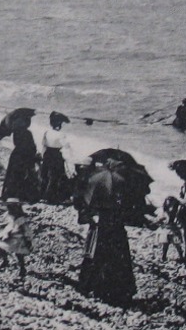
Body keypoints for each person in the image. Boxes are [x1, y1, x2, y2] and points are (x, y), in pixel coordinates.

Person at [74, 153, 138, 306]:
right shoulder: (121, 184)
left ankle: (93, 287)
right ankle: (119, 291)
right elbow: (128, 209)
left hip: (100, 224)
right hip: (116, 224)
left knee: (95, 254)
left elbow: (84, 205)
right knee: (118, 257)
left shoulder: (94, 182)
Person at [0, 108, 40, 202]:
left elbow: (18, 144)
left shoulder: (15, 131)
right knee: (25, 175)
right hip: (26, 155)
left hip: (17, 154)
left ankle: (10, 193)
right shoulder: (27, 132)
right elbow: (31, 145)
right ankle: (24, 195)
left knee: (13, 175)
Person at [0, 198, 34, 284]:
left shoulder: (21, 218)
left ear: (17, 207)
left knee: (19, 254)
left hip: (18, 237)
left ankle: (22, 269)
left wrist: (28, 239)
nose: (10, 208)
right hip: (8, 234)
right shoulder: (7, 214)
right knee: (0, 246)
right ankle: (5, 261)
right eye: (9, 206)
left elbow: (26, 229)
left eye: (13, 206)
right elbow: (1, 221)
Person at [39, 112, 73, 204]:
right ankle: (52, 197)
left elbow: (43, 145)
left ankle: (42, 195)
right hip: (56, 155)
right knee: (56, 176)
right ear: (59, 124)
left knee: (45, 175)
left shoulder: (47, 132)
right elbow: (66, 146)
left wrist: (42, 156)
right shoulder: (61, 134)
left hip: (47, 154)